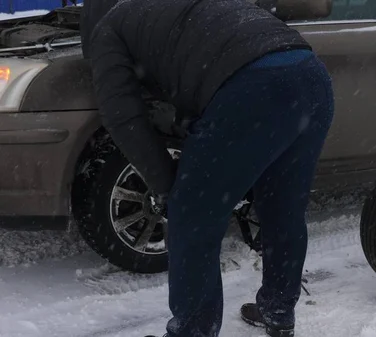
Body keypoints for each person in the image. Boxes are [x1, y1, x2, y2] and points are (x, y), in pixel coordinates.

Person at [81, 0, 334, 336]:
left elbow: (123, 117)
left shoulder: (108, 30)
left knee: (192, 216)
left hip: (254, 86)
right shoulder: (172, 9)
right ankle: (278, 309)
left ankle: (193, 330)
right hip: (311, 77)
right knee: (282, 207)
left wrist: (166, 184)